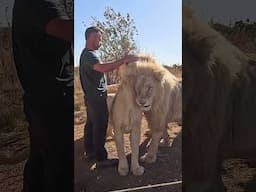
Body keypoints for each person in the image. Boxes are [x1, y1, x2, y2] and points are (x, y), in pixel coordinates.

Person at [12, 0, 74, 191]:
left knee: (42, 167)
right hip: (51, 102)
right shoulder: (38, 2)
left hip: (48, 100)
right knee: (59, 171)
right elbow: (64, 29)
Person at [79, 26, 139, 164]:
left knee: (91, 124)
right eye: (98, 38)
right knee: (100, 125)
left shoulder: (88, 54)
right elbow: (103, 68)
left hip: (91, 97)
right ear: (90, 37)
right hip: (96, 99)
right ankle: (101, 159)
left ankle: (89, 151)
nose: (100, 41)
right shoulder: (89, 55)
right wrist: (123, 60)